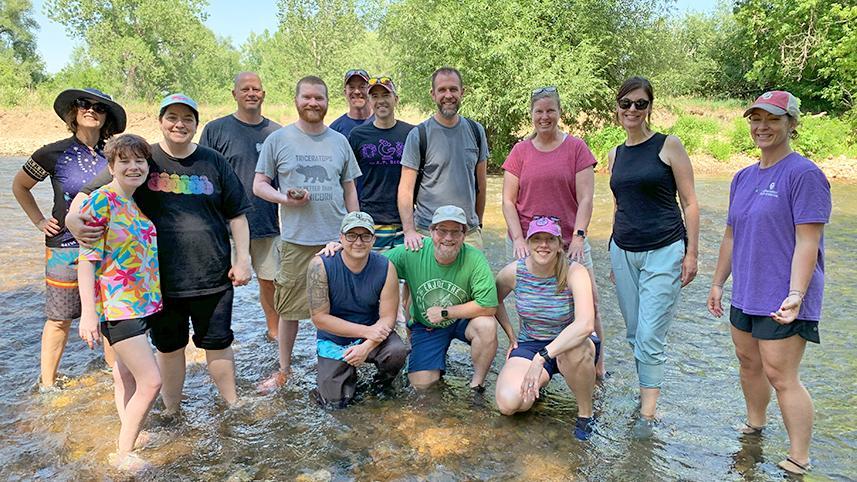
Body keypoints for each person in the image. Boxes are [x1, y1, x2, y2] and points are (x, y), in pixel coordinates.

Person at [67, 93, 253, 414]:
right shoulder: (142, 158)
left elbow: (237, 214)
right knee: (169, 348)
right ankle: (172, 410)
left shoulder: (213, 161)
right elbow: (89, 192)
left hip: (213, 276)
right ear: (161, 121)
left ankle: (233, 405)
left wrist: (243, 258)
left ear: (196, 124)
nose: (179, 124)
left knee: (219, 344)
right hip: (160, 284)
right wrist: (72, 219)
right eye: (172, 118)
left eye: (187, 119)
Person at [707, 91, 830, 476]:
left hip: (784, 296)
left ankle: (799, 457)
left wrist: (796, 294)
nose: (762, 127)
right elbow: (731, 235)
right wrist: (717, 282)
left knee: (781, 375)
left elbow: (808, 241)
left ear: (792, 124)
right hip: (746, 292)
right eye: (756, 119)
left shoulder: (804, 174)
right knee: (748, 363)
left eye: (773, 119)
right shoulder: (742, 177)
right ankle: (755, 424)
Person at [11, 87, 125, 390]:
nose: (91, 110)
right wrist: (38, 221)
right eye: (84, 105)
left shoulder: (114, 154)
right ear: (73, 113)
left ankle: (114, 377)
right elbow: (20, 186)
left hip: (109, 247)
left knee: (110, 315)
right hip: (64, 247)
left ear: (106, 119)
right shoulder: (53, 152)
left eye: (99, 108)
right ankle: (47, 385)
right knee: (60, 318)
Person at [254, 76, 361, 391]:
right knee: (289, 310)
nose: (314, 103)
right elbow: (259, 185)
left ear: (328, 101)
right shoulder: (279, 139)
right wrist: (285, 198)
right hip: (297, 240)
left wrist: (353, 227)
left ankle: (339, 363)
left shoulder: (340, 141)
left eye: (320, 98)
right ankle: (284, 370)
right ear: (296, 99)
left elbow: (349, 187)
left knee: (339, 307)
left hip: (336, 241)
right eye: (308, 97)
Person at [607, 76, 699, 438]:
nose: (632, 110)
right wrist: (613, 251)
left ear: (650, 108)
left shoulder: (668, 146)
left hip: (664, 249)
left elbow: (690, 203)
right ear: (618, 107)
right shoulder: (615, 153)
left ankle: (647, 415)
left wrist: (692, 253)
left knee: (649, 333)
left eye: (640, 104)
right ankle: (646, 391)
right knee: (633, 333)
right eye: (626, 103)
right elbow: (618, 205)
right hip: (623, 252)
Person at [501, 86, 606, 378]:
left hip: (570, 240)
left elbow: (586, 197)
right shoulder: (520, 152)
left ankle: (598, 367)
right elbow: (508, 200)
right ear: (531, 114)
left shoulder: (576, 148)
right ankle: (526, 351)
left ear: (560, 113)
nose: (544, 116)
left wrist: (580, 237)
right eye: (539, 111)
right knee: (534, 301)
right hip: (531, 244)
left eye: (550, 110)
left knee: (591, 302)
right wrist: (518, 239)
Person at [76, 134, 162, 473]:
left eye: (139, 160)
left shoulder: (134, 202)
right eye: (124, 160)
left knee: (124, 374)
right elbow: (86, 260)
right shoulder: (102, 200)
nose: (133, 166)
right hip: (117, 307)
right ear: (111, 166)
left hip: (141, 305)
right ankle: (122, 454)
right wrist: (87, 314)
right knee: (151, 381)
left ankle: (129, 432)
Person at [494, 216, 599, 441]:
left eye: (550, 239)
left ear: (560, 245)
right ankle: (538, 388)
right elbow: (492, 300)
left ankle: (585, 414)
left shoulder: (575, 272)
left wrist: (542, 357)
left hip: (572, 344)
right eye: (537, 239)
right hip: (531, 342)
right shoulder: (514, 272)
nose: (543, 245)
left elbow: (585, 324)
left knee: (573, 350)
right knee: (508, 403)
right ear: (528, 243)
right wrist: (511, 335)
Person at [200, 72, 282, 341]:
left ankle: (274, 332)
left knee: (270, 282)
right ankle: (217, 336)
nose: (251, 93)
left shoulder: (276, 132)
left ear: (263, 94)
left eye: (256, 89)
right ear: (234, 94)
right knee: (219, 284)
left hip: (267, 224)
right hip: (224, 225)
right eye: (245, 89)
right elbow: (203, 178)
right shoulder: (216, 130)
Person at [385, 205, 498, 390]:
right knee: (422, 387)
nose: (448, 238)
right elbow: (373, 265)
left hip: (463, 319)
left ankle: (477, 385)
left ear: (464, 235)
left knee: (486, 325)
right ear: (431, 231)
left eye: (455, 232)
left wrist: (446, 312)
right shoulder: (414, 250)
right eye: (442, 230)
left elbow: (489, 305)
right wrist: (342, 249)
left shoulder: (475, 257)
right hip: (427, 325)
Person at [306, 212, 407, 406]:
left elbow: (387, 318)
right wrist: (367, 332)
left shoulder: (386, 267)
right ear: (341, 237)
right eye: (351, 235)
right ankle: (338, 378)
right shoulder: (320, 265)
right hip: (334, 338)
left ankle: (381, 385)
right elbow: (319, 319)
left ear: (373, 239)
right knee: (335, 403)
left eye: (365, 236)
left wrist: (366, 346)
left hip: (371, 336)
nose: (358, 242)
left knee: (397, 351)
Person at [397, 67, 489, 251]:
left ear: (462, 92)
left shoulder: (476, 131)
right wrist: (409, 231)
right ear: (433, 94)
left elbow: (481, 185)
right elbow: (405, 189)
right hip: (427, 232)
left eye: (453, 89)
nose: (448, 95)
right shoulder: (419, 135)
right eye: (442, 90)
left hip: (467, 234)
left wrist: (477, 225)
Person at [348, 76, 414, 250]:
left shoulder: (412, 133)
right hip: (371, 221)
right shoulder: (357, 135)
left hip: (405, 223)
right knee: (375, 275)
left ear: (396, 99)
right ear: (369, 101)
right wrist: (354, 219)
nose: (381, 101)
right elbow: (350, 183)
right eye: (375, 96)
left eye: (386, 95)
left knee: (404, 276)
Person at [329, 69, 373, 137]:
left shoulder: (383, 123)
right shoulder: (335, 130)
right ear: (345, 92)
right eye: (351, 87)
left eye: (362, 87)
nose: (357, 92)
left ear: (370, 91)